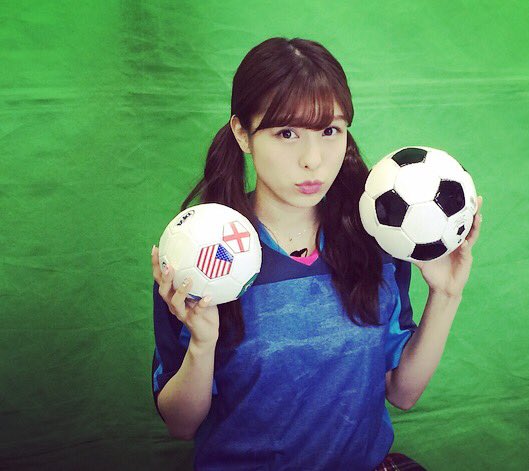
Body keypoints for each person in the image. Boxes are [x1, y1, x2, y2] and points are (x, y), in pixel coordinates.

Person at [150, 37, 483, 470]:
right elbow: (181, 425)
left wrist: (447, 294)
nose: (313, 159)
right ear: (243, 134)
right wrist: (202, 343)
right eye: (286, 133)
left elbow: (403, 393)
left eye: (330, 131)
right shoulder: (201, 255)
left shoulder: (378, 242)